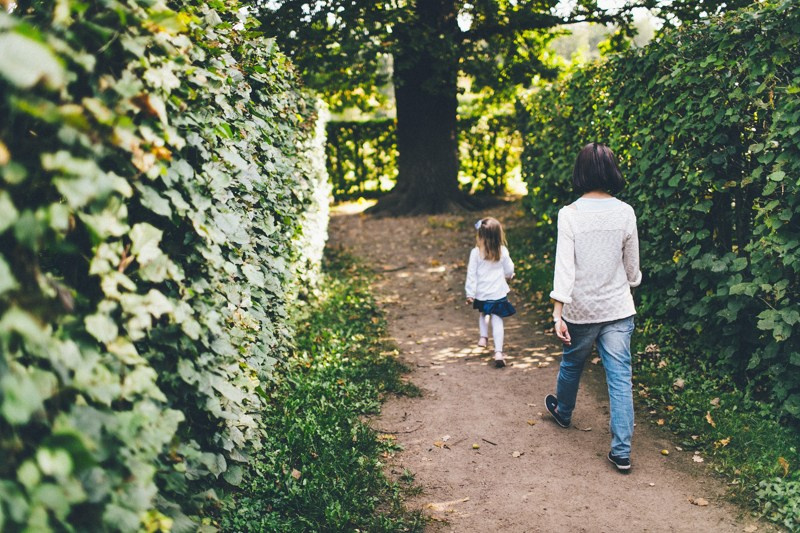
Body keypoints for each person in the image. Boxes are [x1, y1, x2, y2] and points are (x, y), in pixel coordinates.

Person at [544, 142, 642, 472]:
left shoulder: (569, 214)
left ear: (581, 172)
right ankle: (622, 451)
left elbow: (564, 269)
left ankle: (563, 411)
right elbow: (632, 271)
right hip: (617, 309)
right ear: (612, 171)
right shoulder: (626, 212)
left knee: (572, 363)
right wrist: (629, 279)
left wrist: (558, 312)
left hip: (581, 311)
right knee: (620, 378)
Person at [465, 217, 516, 368]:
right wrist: (509, 275)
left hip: (481, 292)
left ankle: (483, 337)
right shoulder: (502, 251)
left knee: (483, 314)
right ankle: (498, 352)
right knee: (497, 319)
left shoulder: (476, 253)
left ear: (480, 236)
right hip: (497, 293)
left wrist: (470, 293)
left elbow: (471, 274)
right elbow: (509, 269)